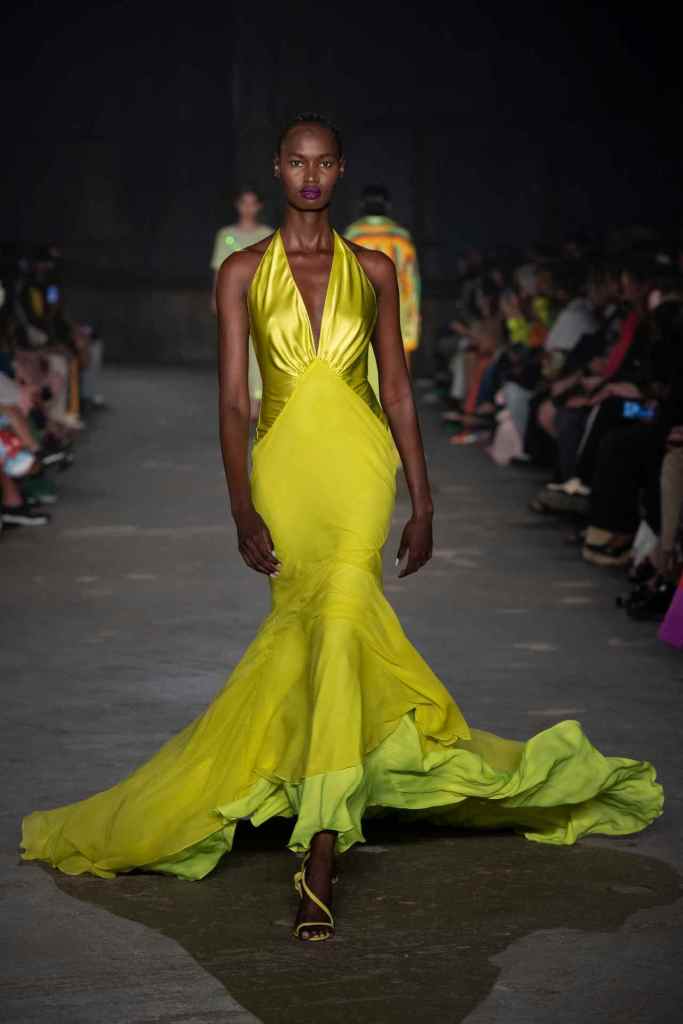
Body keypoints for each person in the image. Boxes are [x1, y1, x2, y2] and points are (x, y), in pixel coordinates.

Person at [21, 114, 663, 944]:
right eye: (297, 162)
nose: (310, 175)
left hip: (360, 469)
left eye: (323, 163)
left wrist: (423, 502)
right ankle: (309, 799)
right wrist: (239, 504)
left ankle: (320, 851)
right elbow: (232, 400)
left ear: (340, 171)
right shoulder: (241, 272)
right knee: (308, 636)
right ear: (278, 169)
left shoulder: (373, 269)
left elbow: (396, 390)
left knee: (340, 619)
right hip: (284, 470)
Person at [345, 184, 420, 391]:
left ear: (361, 205)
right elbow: (412, 281)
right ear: (388, 205)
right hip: (398, 306)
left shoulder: (352, 235)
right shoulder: (401, 237)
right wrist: (412, 317)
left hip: (362, 307)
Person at [210, 188, 274, 420]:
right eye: (243, 203)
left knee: (260, 350)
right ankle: (243, 402)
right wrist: (215, 297)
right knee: (236, 350)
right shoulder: (226, 235)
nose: (248, 208)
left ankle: (258, 402)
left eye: (252, 203)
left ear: (259, 206)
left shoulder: (268, 234)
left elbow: (275, 271)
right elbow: (219, 269)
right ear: (237, 205)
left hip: (261, 301)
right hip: (233, 299)